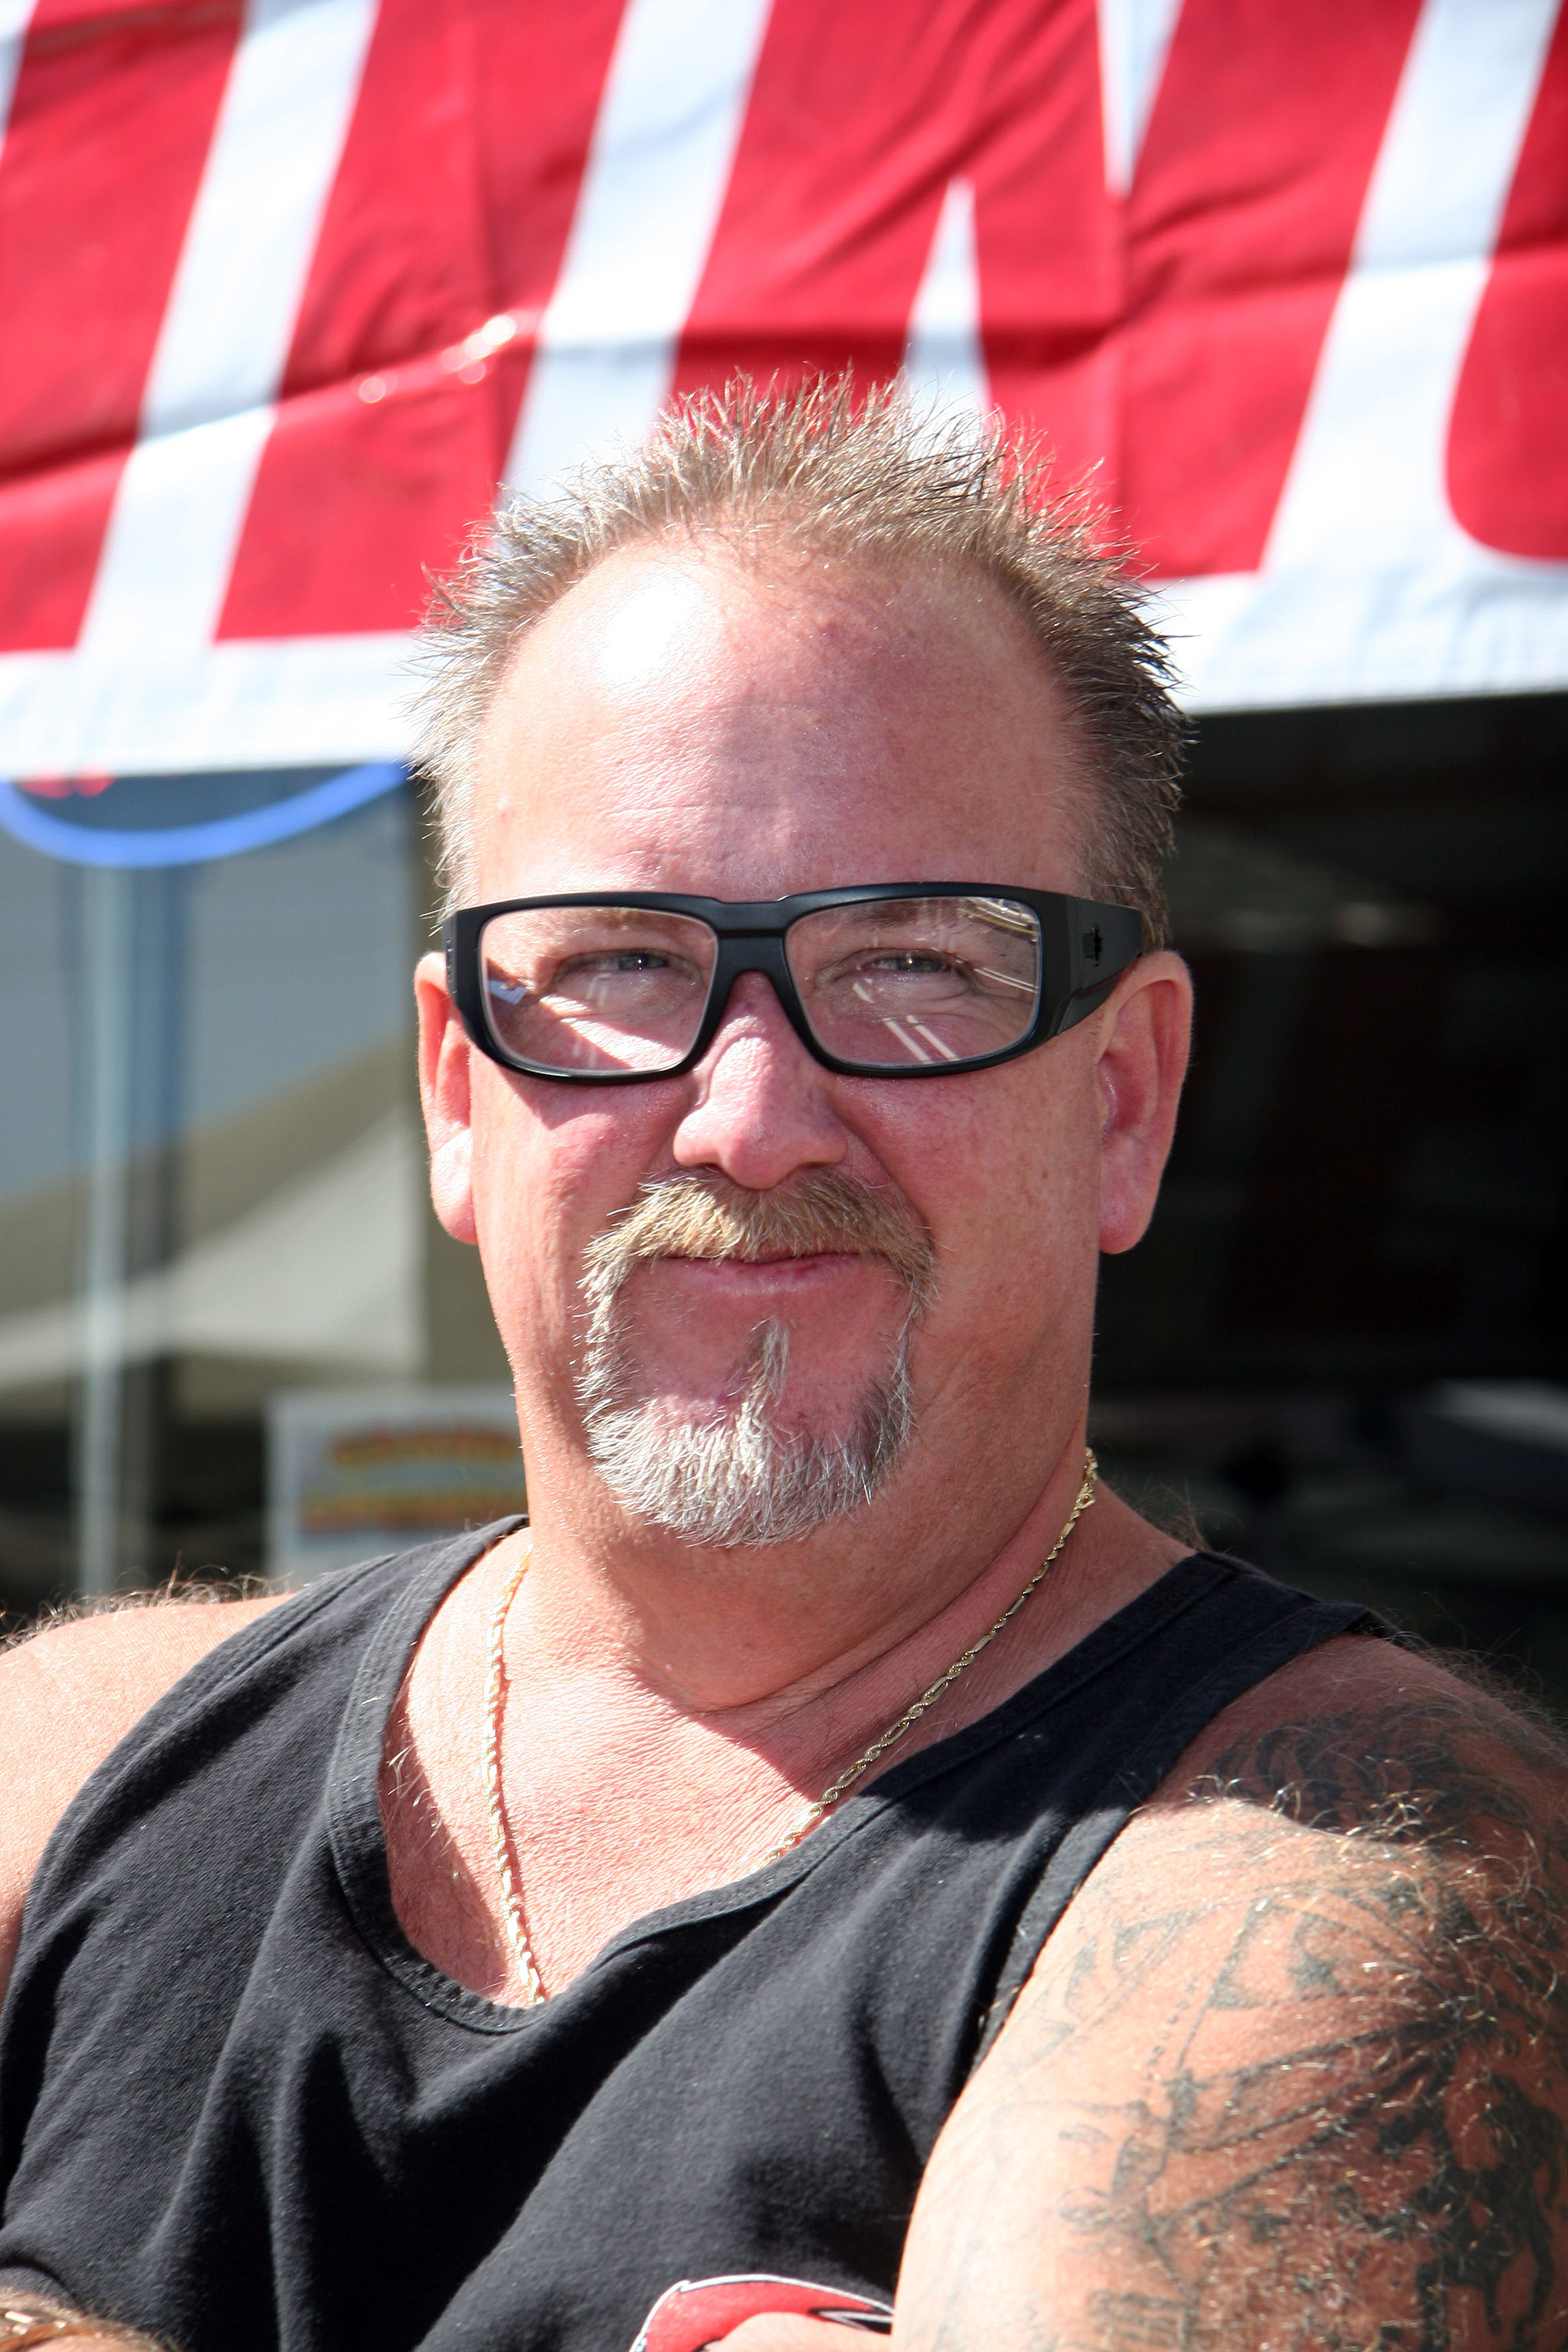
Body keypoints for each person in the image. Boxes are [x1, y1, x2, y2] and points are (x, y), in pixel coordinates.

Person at [2, 382, 1565, 2352]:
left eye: (915, 964)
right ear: (457, 1093)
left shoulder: (1359, 1866)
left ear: (1123, 1099)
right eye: (618, 962)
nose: (748, 1121)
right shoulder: (74, 1764)